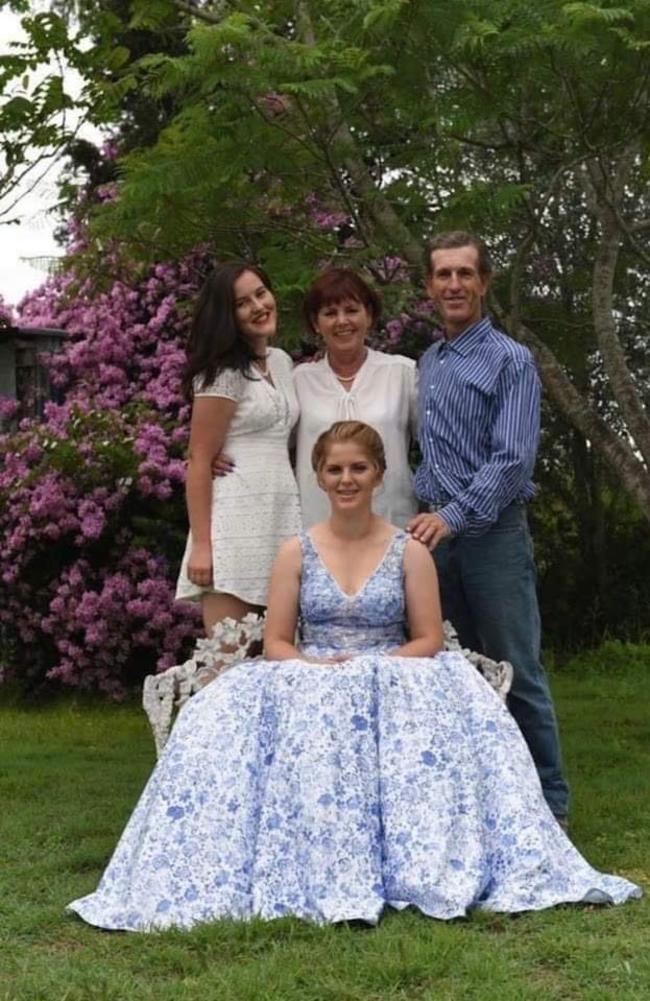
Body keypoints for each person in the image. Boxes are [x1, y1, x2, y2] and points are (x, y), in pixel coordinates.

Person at [68, 422, 640, 931]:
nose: (347, 479)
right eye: (335, 469)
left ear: (377, 474)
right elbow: (276, 642)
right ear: (318, 477)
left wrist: (373, 669)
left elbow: (428, 639)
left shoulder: (408, 551)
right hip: (311, 672)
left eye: (358, 468)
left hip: (393, 671)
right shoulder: (296, 552)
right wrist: (315, 671)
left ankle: (425, 860)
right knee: (218, 717)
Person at [407, 231, 569, 823]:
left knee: (514, 667)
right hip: (436, 541)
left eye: (465, 274)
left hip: (491, 536)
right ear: (429, 286)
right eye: (443, 275)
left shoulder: (510, 360)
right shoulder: (430, 361)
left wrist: (452, 516)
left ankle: (550, 807)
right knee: (458, 672)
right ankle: (485, 803)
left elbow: (512, 460)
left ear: (484, 282)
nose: (454, 285)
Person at [213, 268, 418, 528]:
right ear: (315, 323)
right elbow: (268, 438)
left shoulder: (403, 373)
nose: (342, 321)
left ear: (369, 315)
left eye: (352, 310)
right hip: (317, 529)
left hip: (391, 524)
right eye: (330, 313)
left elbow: (436, 445)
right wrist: (215, 455)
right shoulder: (298, 379)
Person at [175, 262, 301, 642]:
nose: (259, 306)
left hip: (281, 517)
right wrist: (202, 546)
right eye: (242, 303)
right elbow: (199, 459)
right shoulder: (223, 372)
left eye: (261, 293)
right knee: (229, 658)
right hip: (233, 524)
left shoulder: (281, 361)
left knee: (282, 655)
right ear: (226, 317)